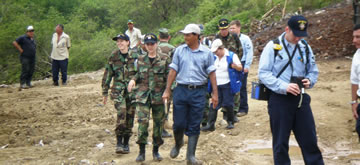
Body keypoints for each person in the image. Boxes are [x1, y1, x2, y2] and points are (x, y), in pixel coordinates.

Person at [258, 15, 324, 165]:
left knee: (310, 141)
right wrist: (284, 86)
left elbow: (313, 70)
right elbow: (263, 73)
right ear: (287, 29)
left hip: (301, 99)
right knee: (280, 143)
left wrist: (310, 80)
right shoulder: (273, 46)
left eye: (301, 35)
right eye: (295, 35)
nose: (298, 39)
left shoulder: (305, 47)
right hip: (279, 100)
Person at [162, 24, 218, 165]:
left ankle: (190, 156)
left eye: (188, 35)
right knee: (178, 124)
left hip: (199, 91)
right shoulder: (180, 51)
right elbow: (173, 71)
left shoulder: (206, 53)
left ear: (196, 36)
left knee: (194, 124)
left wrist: (215, 94)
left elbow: (212, 74)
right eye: (184, 35)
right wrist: (167, 89)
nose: (185, 37)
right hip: (181, 90)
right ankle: (178, 143)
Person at [127, 33, 171, 162]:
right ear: (144, 45)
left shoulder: (164, 58)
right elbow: (137, 74)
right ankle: (141, 151)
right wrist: (133, 80)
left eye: (152, 44)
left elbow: (170, 77)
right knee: (142, 123)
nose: (150, 46)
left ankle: (156, 150)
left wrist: (168, 91)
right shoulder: (140, 59)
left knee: (158, 124)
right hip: (143, 96)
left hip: (159, 96)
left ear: (157, 44)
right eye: (147, 44)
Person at [102, 33, 138, 155]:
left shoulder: (135, 55)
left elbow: (142, 72)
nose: (119, 43)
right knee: (121, 113)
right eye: (118, 41)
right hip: (118, 91)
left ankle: (126, 143)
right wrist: (104, 91)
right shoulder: (114, 56)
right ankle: (119, 142)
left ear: (128, 42)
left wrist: (135, 80)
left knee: (130, 116)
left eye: (122, 41)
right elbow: (108, 74)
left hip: (132, 92)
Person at [201, 39, 242, 131]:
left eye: (217, 51)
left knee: (228, 103)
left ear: (221, 48)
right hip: (216, 85)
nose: (216, 53)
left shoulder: (231, 56)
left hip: (227, 83)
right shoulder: (214, 57)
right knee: (214, 104)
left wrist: (235, 66)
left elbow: (240, 68)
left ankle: (230, 121)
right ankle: (211, 124)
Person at [215, 18, 242, 122]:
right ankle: (225, 113)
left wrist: (236, 62)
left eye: (225, 29)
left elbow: (240, 49)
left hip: (233, 67)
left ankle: (234, 113)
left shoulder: (234, 36)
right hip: (222, 69)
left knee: (235, 90)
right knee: (223, 91)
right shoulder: (217, 38)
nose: (224, 31)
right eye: (222, 29)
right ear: (219, 29)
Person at [229, 20, 254, 117]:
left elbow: (249, 53)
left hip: (242, 63)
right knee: (232, 86)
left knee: (242, 87)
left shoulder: (245, 39)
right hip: (233, 64)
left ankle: (243, 108)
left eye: (233, 28)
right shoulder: (230, 39)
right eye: (230, 28)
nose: (231, 30)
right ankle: (234, 108)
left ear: (239, 28)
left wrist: (247, 66)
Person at [158, 28, 175, 138]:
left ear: (159, 37)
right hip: (169, 78)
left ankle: (159, 125)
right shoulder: (173, 49)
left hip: (156, 79)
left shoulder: (155, 47)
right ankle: (164, 124)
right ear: (168, 37)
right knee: (166, 102)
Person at [350, 24, 360, 142]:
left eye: (358, 37)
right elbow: (354, 81)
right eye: (354, 37)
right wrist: (354, 102)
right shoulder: (357, 56)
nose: (354, 41)